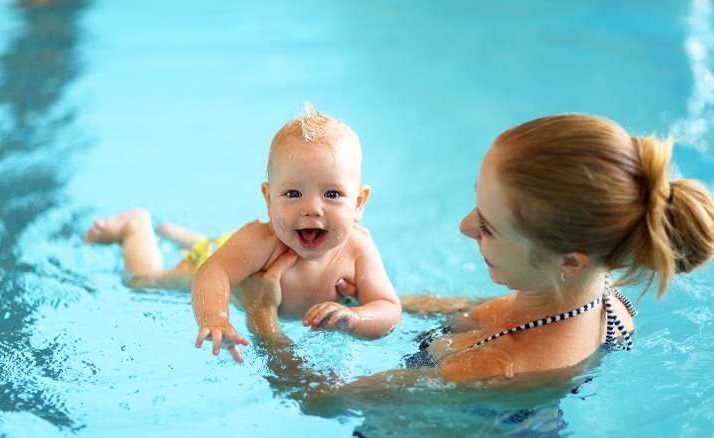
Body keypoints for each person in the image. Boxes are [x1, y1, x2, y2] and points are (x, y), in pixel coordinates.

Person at [246, 113, 714, 384]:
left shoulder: (494, 366)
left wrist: (264, 320)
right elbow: (483, 311)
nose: (465, 226)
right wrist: (365, 305)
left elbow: (322, 402)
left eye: (489, 226)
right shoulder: (600, 292)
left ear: (571, 260)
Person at [84, 102, 402, 363]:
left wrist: (355, 319)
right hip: (230, 255)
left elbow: (388, 307)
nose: (312, 209)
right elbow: (214, 270)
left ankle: (182, 234)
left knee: (223, 247)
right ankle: (135, 228)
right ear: (268, 199)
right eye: (293, 194)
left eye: (332, 194)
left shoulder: (359, 249)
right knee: (146, 282)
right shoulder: (262, 241)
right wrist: (214, 316)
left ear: (359, 203)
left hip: (237, 252)